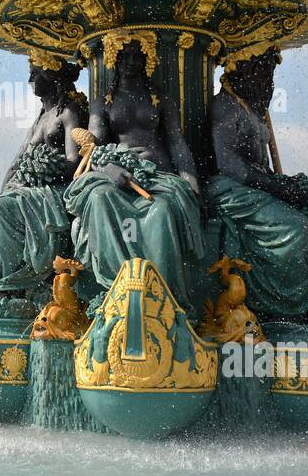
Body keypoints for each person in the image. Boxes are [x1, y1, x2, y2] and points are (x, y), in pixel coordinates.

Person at [206, 47, 308, 323]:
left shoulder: (253, 110)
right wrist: (278, 188)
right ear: (241, 73)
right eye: (262, 74)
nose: (268, 83)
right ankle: (284, 308)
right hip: (231, 189)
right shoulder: (226, 106)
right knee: (298, 231)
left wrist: (290, 185)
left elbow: (261, 166)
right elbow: (229, 163)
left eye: (270, 76)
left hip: (259, 187)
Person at [64, 32, 207, 308]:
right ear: (114, 60)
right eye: (124, 56)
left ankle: (162, 296)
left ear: (148, 60)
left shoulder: (161, 99)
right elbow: (93, 147)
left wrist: (193, 185)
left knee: (163, 211)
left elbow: (178, 145)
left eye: (137, 56)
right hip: (117, 173)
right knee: (98, 199)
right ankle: (116, 288)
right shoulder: (102, 103)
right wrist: (108, 169)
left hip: (157, 175)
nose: (130, 62)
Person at [0, 55, 89, 305]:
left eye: (35, 73)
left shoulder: (68, 112)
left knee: (4, 208)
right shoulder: (39, 119)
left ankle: (13, 286)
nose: (30, 79)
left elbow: (74, 163)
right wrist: (1, 193)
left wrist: (39, 171)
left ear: (52, 75)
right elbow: (15, 163)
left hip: (57, 188)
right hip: (31, 190)